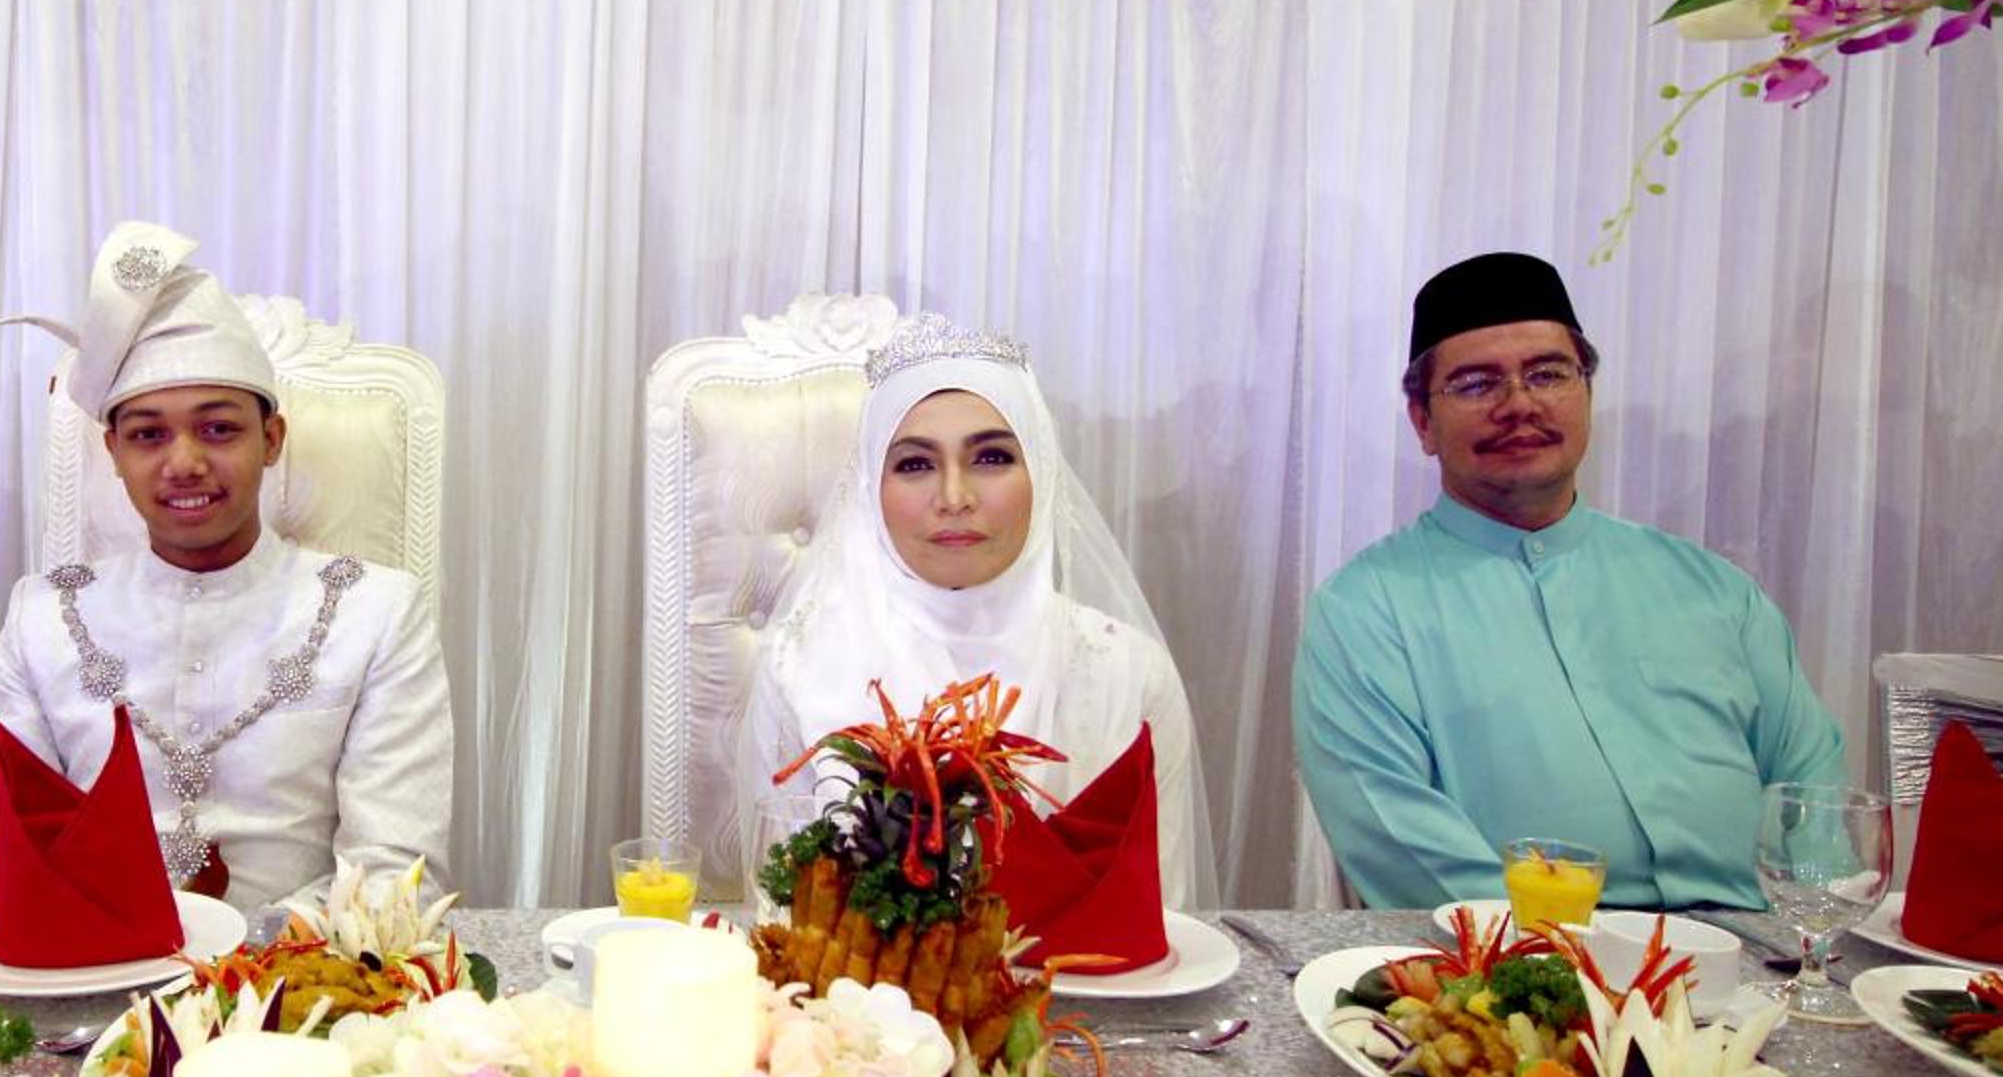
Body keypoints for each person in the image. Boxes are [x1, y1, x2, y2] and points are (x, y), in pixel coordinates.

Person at [1295, 251, 1844, 910]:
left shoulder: (1714, 592)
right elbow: (1406, 850)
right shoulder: (1366, 612)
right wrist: (1581, 960)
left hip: (1757, 955)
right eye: (1475, 384)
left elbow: (1814, 793)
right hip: (1529, 963)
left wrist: (1812, 940)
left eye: (1548, 374)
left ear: (1586, 392)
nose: (1519, 405)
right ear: (1422, 422)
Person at [0, 221, 452, 913]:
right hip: (86, 962)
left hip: (309, 968)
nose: (184, 463)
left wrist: (249, 962)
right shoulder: (44, 617)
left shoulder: (376, 612)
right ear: (114, 453)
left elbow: (392, 873)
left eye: (218, 428)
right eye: (148, 434)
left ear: (271, 439)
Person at [742, 313, 1214, 907]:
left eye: (991, 458)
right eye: (915, 464)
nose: (955, 497)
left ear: (1041, 473)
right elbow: (783, 916)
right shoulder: (805, 666)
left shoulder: (1127, 674)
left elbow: (1158, 918)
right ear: (870, 490)